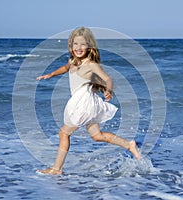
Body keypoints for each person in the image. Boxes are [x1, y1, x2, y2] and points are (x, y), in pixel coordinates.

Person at [36, 27, 141, 175]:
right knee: (97, 136)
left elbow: (107, 79)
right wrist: (50, 74)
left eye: (83, 44)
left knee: (63, 133)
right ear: (71, 46)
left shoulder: (91, 64)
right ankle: (130, 145)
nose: (78, 48)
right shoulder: (72, 61)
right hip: (86, 105)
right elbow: (66, 67)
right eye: (75, 44)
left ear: (89, 46)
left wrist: (108, 90)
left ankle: (56, 169)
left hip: (84, 104)